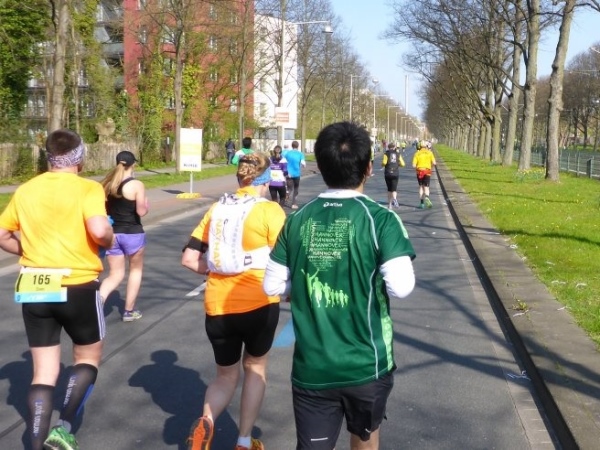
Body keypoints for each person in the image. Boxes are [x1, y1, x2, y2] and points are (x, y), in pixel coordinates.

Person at [263, 121, 416, 450]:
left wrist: (300, 287)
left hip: (312, 368)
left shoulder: (297, 219)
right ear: (368, 168)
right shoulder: (381, 219)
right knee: (365, 440)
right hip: (366, 364)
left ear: (320, 166)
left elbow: (272, 285)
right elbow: (401, 287)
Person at [0, 129, 114, 450]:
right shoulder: (88, 188)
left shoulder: (26, 189)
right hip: (77, 283)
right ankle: (62, 428)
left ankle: (35, 445)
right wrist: (110, 239)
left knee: (43, 373)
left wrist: (28, 250)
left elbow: (2, 235)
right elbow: (98, 229)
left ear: (49, 157)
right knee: (88, 357)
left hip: (35, 285)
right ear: (80, 157)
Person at [182, 152, 286, 450]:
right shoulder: (270, 211)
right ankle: (243, 441)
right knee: (255, 368)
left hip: (218, 306)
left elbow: (189, 258)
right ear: (265, 180)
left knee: (225, 376)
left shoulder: (216, 209)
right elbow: (286, 258)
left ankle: (207, 421)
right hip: (259, 302)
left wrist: (217, 269)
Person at [99, 150, 149, 322]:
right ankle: (128, 311)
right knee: (135, 270)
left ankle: (97, 304)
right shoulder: (136, 185)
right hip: (133, 233)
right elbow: (141, 211)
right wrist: (146, 205)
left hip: (113, 234)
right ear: (133, 164)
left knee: (115, 274)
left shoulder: (107, 184)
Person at [412, 140, 437, 209]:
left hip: (419, 172)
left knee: (421, 187)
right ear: (426, 146)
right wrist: (431, 166)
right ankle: (427, 197)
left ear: (420, 146)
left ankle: (422, 203)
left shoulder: (417, 154)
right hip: (427, 171)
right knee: (426, 187)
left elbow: (413, 165)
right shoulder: (430, 153)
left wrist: (417, 167)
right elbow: (434, 163)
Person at [382, 142, 405, 209]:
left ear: (388, 148)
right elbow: (403, 164)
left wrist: (383, 165)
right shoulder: (398, 154)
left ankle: (389, 205)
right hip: (395, 173)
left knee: (389, 189)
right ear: (394, 147)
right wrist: (398, 164)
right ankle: (394, 199)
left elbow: (384, 162)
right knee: (394, 189)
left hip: (388, 173)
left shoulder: (386, 154)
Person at [284, 140, 306, 209]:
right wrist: (304, 166)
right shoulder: (300, 154)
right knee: (296, 189)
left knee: (289, 188)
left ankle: (286, 196)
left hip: (289, 173)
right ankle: (294, 204)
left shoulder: (288, 153)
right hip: (296, 173)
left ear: (292, 146)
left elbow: (284, 162)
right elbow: (303, 163)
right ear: (298, 146)